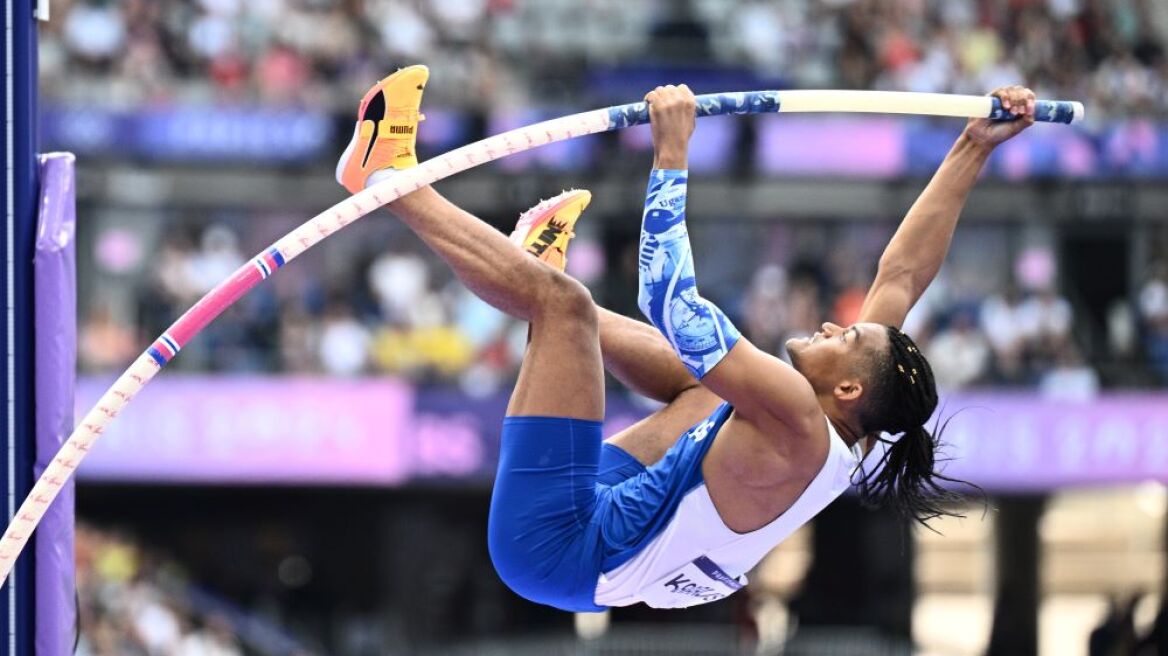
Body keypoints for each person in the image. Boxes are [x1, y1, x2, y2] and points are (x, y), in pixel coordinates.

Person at [335, 66, 1036, 612]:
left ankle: (384, 178)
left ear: (847, 387)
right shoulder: (845, 416)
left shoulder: (797, 421)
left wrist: (670, 151)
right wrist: (973, 146)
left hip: (560, 549)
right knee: (705, 389)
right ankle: (527, 273)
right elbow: (905, 272)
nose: (831, 323)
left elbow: (671, 302)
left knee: (565, 306)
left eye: (844, 335)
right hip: (618, 513)